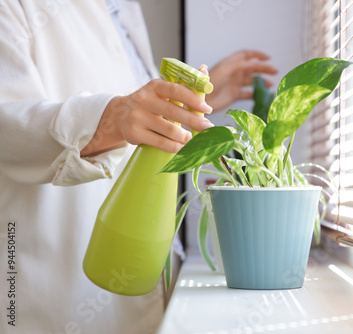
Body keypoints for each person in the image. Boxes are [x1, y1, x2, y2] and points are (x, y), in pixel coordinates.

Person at [0, 1, 277, 333]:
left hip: (138, 286)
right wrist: (113, 118)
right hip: (48, 294)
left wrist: (188, 105)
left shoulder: (122, 8)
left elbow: (138, 120)